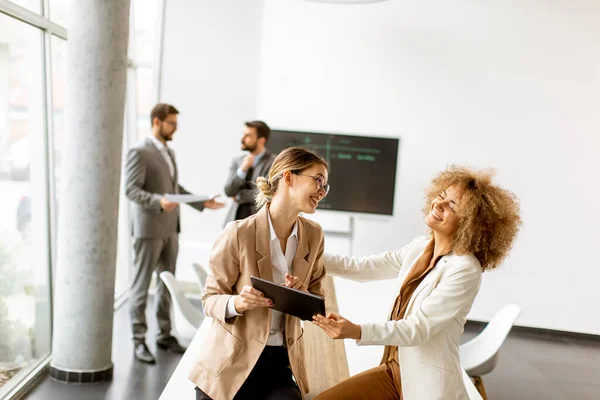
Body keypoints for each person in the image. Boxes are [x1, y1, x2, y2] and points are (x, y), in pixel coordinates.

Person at [312, 166, 522, 400]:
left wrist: (357, 331)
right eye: (441, 196)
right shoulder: (421, 246)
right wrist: (302, 252)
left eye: (452, 206)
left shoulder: (465, 269)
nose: (438, 205)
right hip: (394, 370)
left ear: (470, 223)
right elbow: (359, 267)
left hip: (426, 384)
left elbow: (418, 328)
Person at [189, 147, 330, 400]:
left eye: (325, 185)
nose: (322, 191)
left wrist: (303, 296)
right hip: (229, 363)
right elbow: (209, 300)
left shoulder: (314, 235)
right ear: (288, 178)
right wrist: (238, 302)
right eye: (318, 180)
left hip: (278, 366)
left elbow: (318, 304)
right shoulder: (238, 233)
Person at [124, 103, 224, 364]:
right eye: (172, 124)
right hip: (148, 229)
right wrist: (157, 201)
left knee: (165, 282)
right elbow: (131, 190)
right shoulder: (139, 151)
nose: (175, 129)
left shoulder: (167, 152)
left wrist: (201, 201)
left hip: (170, 228)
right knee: (141, 286)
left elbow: (173, 187)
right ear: (157, 121)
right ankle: (138, 340)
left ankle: (164, 334)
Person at [223, 120, 277, 225]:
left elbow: (266, 193)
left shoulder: (274, 162)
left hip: (258, 223)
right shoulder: (238, 161)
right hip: (234, 222)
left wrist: (238, 196)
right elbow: (228, 191)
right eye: (243, 134)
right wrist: (242, 171)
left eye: (248, 136)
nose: (242, 139)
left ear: (261, 140)